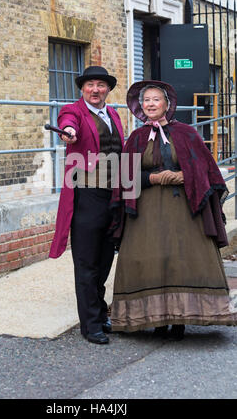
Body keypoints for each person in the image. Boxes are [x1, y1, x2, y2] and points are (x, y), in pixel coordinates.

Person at [110, 79, 237, 340]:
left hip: (184, 210)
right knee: (150, 260)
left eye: (156, 99)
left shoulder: (187, 134)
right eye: (146, 100)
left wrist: (181, 177)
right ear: (140, 106)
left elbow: (206, 170)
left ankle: (180, 320)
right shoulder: (136, 138)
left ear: (167, 105)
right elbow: (125, 177)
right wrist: (154, 179)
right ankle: (157, 320)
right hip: (146, 210)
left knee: (182, 260)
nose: (151, 104)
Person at [49, 66, 125, 344]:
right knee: (86, 261)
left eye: (101, 85)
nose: (95, 90)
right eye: (90, 85)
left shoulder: (114, 114)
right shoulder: (75, 111)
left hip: (113, 194)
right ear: (83, 89)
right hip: (87, 195)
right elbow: (68, 123)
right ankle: (90, 324)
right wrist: (67, 131)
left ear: (107, 89)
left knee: (105, 258)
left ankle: (100, 311)